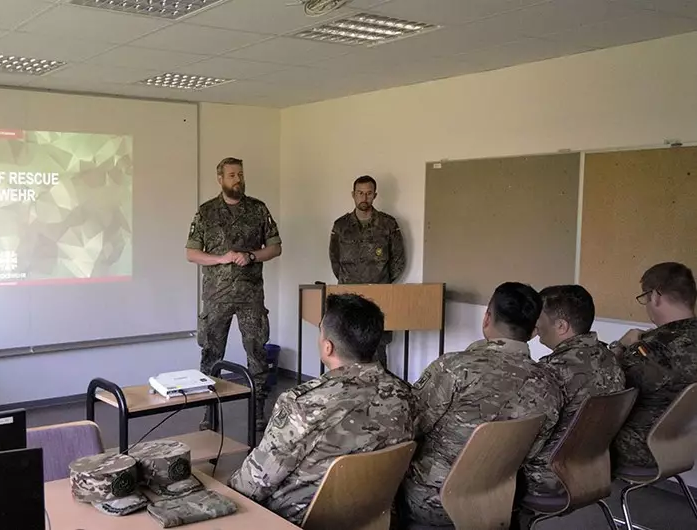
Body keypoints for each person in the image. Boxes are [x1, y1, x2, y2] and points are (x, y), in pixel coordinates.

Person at [229, 293, 415, 525]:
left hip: (298, 520)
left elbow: (252, 485)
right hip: (371, 516)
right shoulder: (404, 394)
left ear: (328, 347)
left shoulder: (303, 404)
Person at [397, 282, 563, 528]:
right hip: (500, 495)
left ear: (487, 318)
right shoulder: (549, 383)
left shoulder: (453, 368)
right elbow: (532, 449)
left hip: (434, 499)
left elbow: (408, 428)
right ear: (532, 332)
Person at [186, 157, 282, 432]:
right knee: (211, 355)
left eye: (240, 174)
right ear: (220, 178)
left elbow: (275, 247)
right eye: (231, 175)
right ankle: (209, 411)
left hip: (250, 295)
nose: (237, 179)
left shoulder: (257, 209)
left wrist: (251, 255)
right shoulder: (206, 212)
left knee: (257, 352)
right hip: (217, 296)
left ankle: (258, 410)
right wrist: (221, 258)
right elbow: (191, 254)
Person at [524, 285, 625, 497]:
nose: (535, 324)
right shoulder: (609, 358)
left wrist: (520, 338)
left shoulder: (551, 372)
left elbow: (522, 435)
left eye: (538, 318)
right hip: (596, 468)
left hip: (550, 477)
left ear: (561, 326)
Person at [609, 262, 697, 469]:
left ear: (656, 296)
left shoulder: (650, 349)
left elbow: (602, 383)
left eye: (645, 298)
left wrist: (620, 346)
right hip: (684, 443)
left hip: (641, 448)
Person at [328, 175, 405, 368]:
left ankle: (381, 395)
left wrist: (381, 281)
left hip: (379, 296)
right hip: (348, 297)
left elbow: (398, 260)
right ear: (353, 195)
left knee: (377, 348)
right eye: (360, 193)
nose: (364, 197)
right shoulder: (341, 226)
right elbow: (335, 259)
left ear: (375, 195)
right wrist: (349, 281)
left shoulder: (388, 224)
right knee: (345, 346)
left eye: (369, 193)